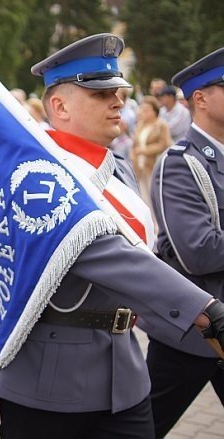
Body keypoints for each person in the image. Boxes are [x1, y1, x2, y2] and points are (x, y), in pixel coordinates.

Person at [0, 34, 224, 438]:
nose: (117, 100)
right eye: (100, 94)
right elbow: (102, 250)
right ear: (59, 106)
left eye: (118, 91)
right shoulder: (37, 175)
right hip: (49, 382)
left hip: (125, 372)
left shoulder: (117, 168)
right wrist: (203, 308)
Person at [146, 47, 224, 438]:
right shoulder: (181, 162)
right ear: (201, 98)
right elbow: (199, 250)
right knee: (142, 428)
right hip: (194, 333)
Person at [130, 96, 172, 207]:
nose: (143, 112)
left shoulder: (162, 125)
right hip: (140, 167)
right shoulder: (140, 125)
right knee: (144, 197)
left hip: (154, 166)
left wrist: (144, 150)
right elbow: (134, 144)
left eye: (147, 109)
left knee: (156, 197)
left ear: (154, 111)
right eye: (142, 109)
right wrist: (133, 155)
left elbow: (164, 144)